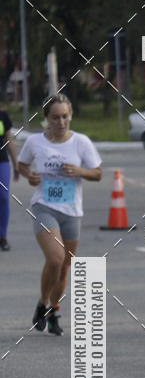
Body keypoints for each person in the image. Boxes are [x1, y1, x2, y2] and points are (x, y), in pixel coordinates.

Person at [18, 94, 102, 336]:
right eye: (55, 117)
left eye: (65, 116)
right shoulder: (35, 142)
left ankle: (53, 310)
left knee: (64, 267)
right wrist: (29, 175)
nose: (61, 122)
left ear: (71, 116)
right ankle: (43, 302)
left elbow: (97, 173)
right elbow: (23, 165)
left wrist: (79, 171)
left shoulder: (81, 142)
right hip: (44, 207)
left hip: (72, 211)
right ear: (46, 119)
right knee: (55, 258)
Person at [0, 105, 20, 251]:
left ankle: (3, 236)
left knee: (3, 197)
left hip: (2, 162)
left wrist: (16, 164)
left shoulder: (3, 115)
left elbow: (9, 140)